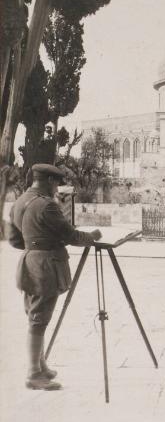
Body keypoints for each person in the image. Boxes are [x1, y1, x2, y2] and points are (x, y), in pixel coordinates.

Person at [8, 163, 102, 391]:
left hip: (29, 262)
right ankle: (33, 374)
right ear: (49, 181)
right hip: (46, 266)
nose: (57, 188)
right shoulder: (47, 205)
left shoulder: (19, 202)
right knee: (39, 319)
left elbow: (13, 239)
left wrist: (34, 244)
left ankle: (40, 365)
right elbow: (70, 235)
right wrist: (93, 235)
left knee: (36, 315)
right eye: (56, 183)